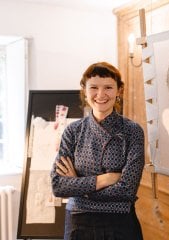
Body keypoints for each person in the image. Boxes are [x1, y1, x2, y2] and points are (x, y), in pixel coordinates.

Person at [50, 62, 145, 240]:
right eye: (94, 87)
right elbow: (58, 185)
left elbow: (127, 190)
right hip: (78, 223)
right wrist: (105, 179)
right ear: (84, 91)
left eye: (108, 87)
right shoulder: (73, 131)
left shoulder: (132, 131)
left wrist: (78, 184)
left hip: (120, 223)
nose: (101, 94)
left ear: (119, 91)